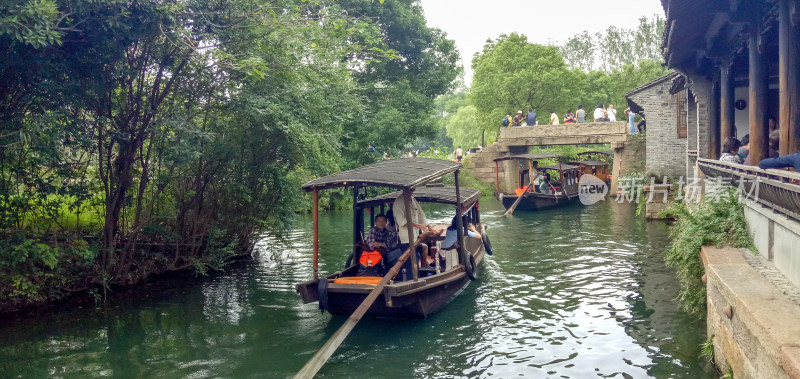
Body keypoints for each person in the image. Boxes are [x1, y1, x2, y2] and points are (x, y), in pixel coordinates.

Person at [393, 190, 434, 272]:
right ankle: (411, 278)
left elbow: (421, 216)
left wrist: (430, 228)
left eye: (412, 190)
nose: (410, 192)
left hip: (416, 239)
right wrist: (418, 226)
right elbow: (401, 221)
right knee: (410, 264)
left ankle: (423, 269)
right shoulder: (398, 202)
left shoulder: (413, 200)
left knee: (419, 253)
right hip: (406, 240)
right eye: (409, 190)